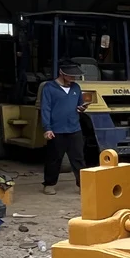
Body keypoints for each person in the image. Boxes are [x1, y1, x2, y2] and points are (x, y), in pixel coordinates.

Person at [41, 60, 88, 195]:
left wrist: (81, 108)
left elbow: (79, 105)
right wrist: (47, 128)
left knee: (78, 158)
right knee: (54, 158)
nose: (73, 78)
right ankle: (49, 184)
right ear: (61, 73)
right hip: (56, 130)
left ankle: (83, 185)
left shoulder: (76, 88)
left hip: (74, 128)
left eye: (75, 76)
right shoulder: (49, 88)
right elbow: (45, 109)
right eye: (70, 76)